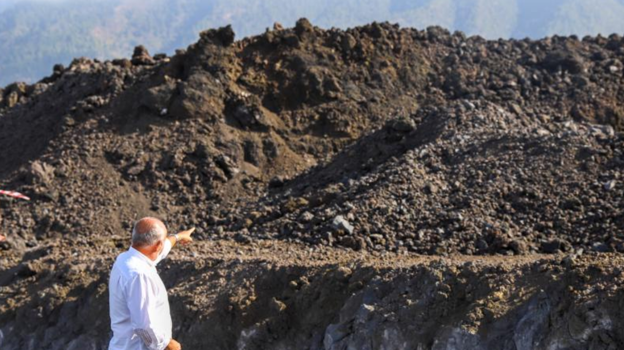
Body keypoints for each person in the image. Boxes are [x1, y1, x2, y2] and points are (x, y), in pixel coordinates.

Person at [108, 217, 195, 350]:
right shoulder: (140, 275)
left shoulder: (125, 259)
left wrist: (177, 237)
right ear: (157, 245)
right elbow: (143, 325)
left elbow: (158, 252)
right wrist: (167, 344)